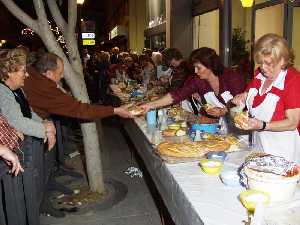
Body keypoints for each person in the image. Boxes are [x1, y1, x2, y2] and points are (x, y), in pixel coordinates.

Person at [232, 33, 300, 163]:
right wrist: (242, 97)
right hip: (259, 143)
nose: (263, 68)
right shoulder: (259, 74)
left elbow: (292, 122)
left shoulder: (293, 80)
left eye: (268, 63)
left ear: (283, 60)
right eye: (260, 62)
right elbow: (250, 94)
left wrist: (262, 125)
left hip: (283, 150)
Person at [23, 52, 132, 120]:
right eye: (60, 73)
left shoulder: (29, 71)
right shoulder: (47, 89)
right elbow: (82, 110)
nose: (61, 77)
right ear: (49, 73)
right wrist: (115, 110)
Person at [141, 47, 245, 119]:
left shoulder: (231, 77)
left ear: (210, 65)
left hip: (239, 126)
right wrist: (150, 105)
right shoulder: (198, 79)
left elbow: (244, 105)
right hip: (219, 126)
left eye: (198, 68)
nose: (195, 71)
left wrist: (225, 111)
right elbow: (178, 94)